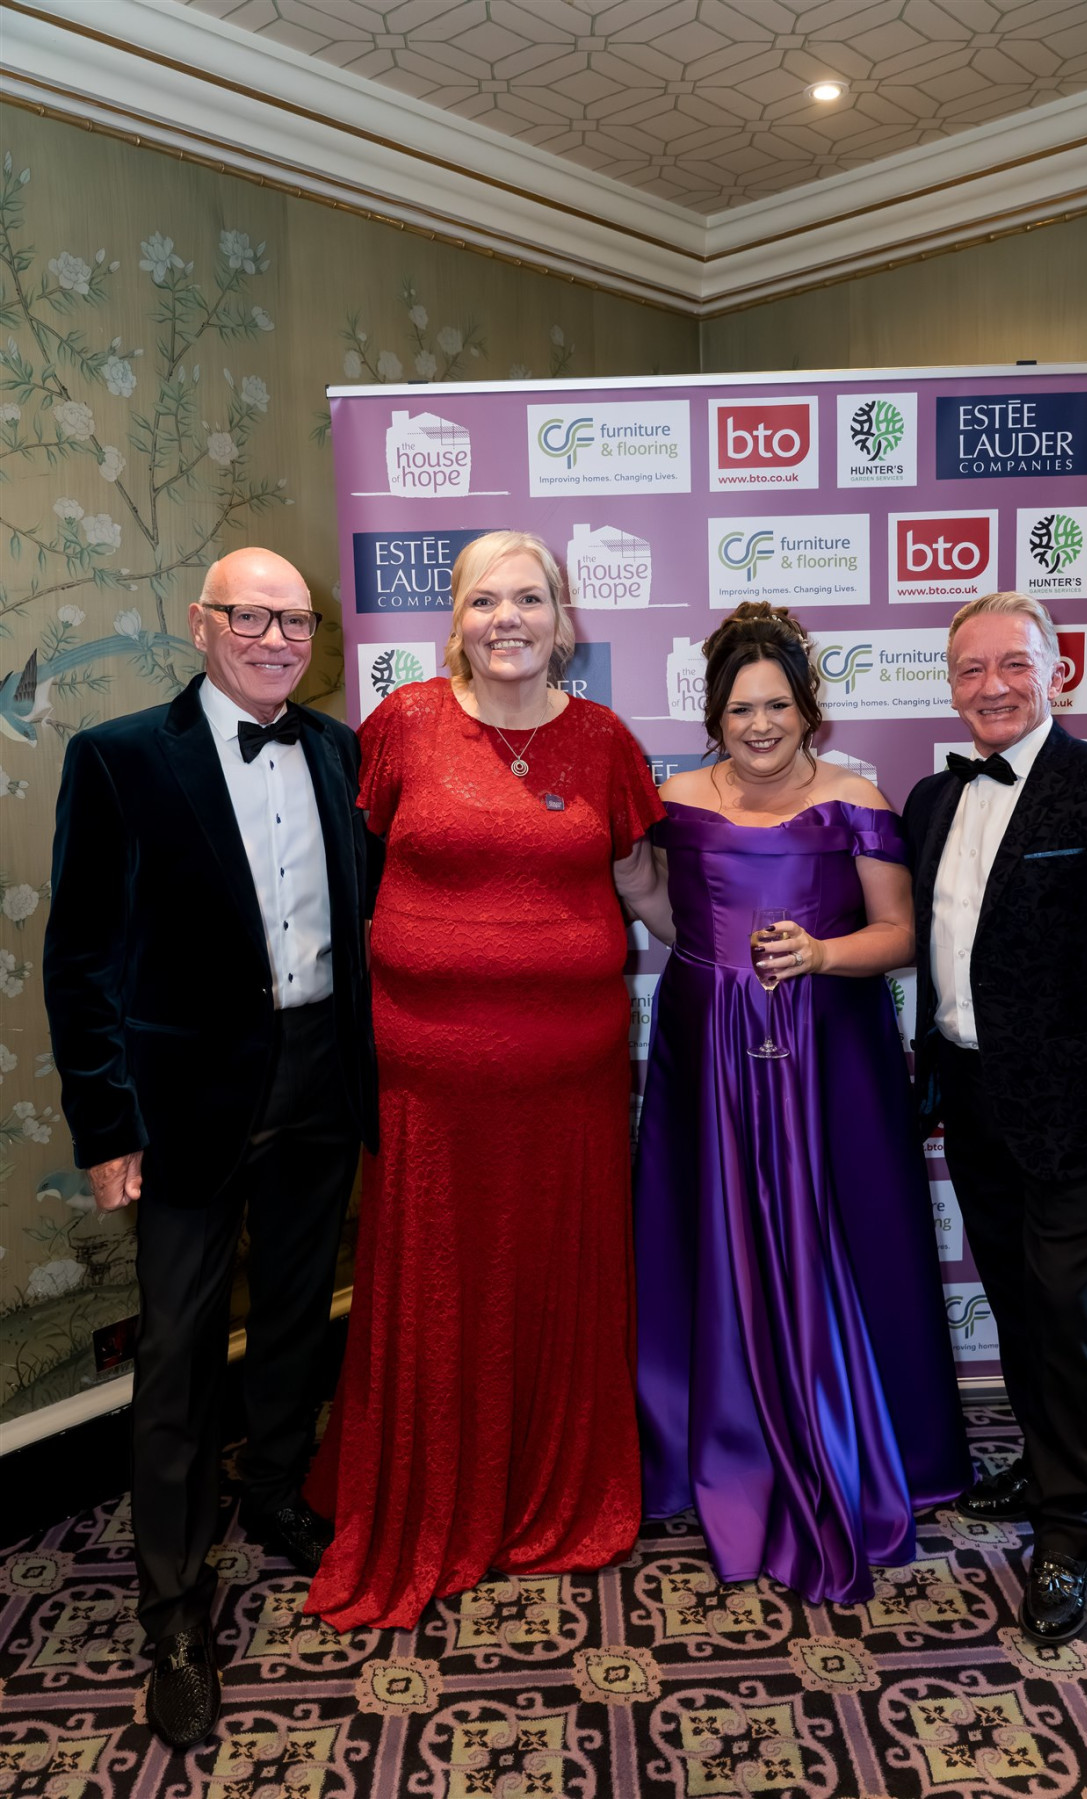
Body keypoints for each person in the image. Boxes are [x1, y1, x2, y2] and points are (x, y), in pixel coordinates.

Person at [43, 548, 377, 1750]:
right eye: (252, 615)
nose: (278, 638)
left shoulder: (341, 751)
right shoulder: (121, 756)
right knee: (179, 1351)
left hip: (320, 1075)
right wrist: (106, 1125)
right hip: (186, 1103)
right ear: (201, 623)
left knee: (296, 1306)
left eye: (296, 620)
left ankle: (276, 1485)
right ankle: (175, 1603)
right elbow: (80, 960)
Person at [304, 530, 667, 1630]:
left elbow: (645, 884)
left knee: (554, 1280)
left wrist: (757, 960)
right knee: (439, 1289)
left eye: (529, 598)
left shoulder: (605, 740)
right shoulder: (402, 725)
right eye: (483, 600)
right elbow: (349, 878)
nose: (507, 618)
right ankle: (429, 1492)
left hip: (571, 1092)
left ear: (564, 618)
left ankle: (553, 1481)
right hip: (432, 1090)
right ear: (454, 620)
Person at [635, 601, 970, 1605]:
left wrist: (821, 955)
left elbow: (899, 933)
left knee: (843, 1230)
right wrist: (627, 879)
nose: (761, 725)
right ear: (714, 714)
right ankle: (711, 1438)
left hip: (830, 1049)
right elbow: (669, 915)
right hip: (707, 1043)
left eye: (778, 705)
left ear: (809, 709)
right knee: (710, 1229)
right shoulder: (672, 798)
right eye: (741, 708)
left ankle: (861, 1436)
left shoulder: (856, 797)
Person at [902, 590, 1087, 1645]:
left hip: (1083, 1117)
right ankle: (1041, 1462)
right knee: (1020, 1305)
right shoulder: (931, 800)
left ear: (1057, 671)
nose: (992, 686)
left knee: (1069, 1317)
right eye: (971, 668)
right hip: (975, 1102)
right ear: (951, 684)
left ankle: (1068, 1527)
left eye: (1014, 665)